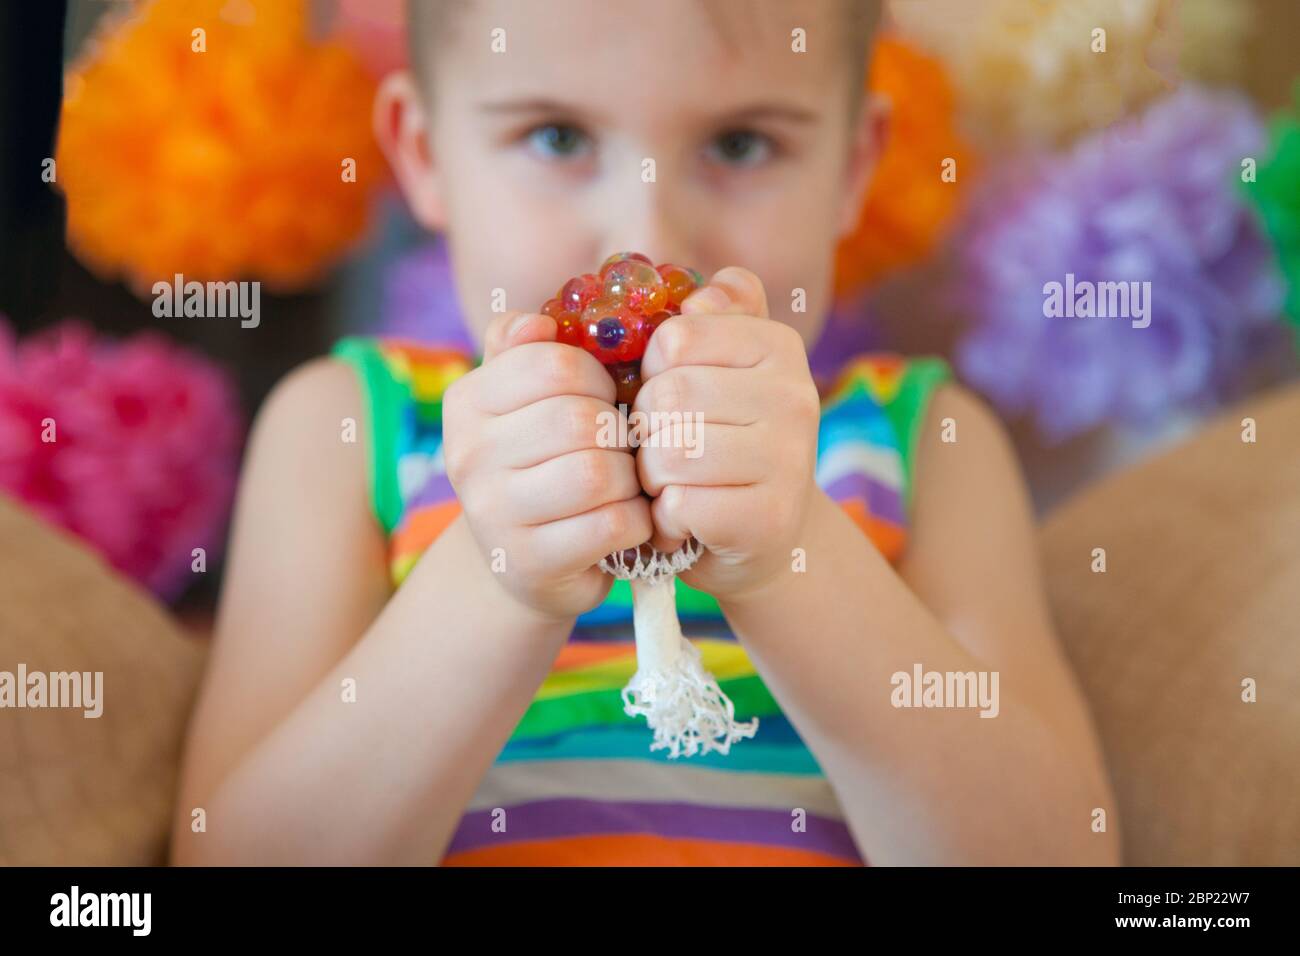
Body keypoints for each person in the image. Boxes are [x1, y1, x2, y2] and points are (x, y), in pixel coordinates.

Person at [171, 0, 1119, 866]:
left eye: (743, 145)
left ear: (853, 166)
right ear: (423, 155)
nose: (648, 237)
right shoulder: (345, 430)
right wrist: (500, 583)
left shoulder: (926, 444)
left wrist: (788, 559)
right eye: (556, 136)